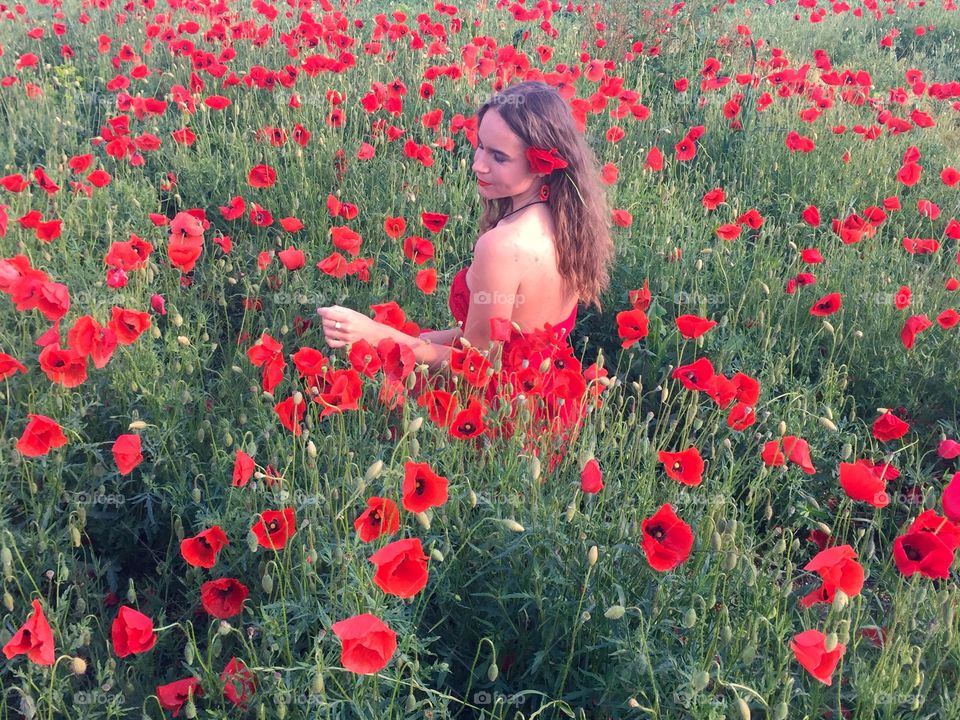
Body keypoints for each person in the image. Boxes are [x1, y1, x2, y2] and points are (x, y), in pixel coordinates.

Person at [317, 80, 614, 383]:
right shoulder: (570, 223)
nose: (478, 165)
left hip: (495, 409)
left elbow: (477, 363)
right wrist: (416, 338)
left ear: (540, 165)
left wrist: (377, 334)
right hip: (545, 393)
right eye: (481, 146)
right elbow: (494, 337)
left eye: (499, 157)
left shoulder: (502, 246)